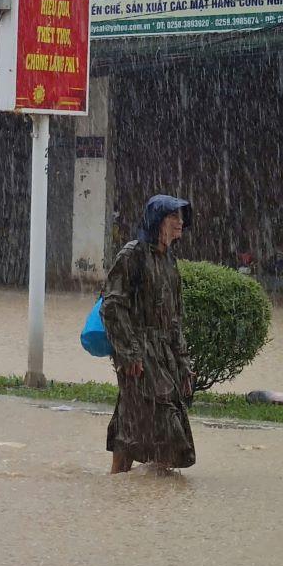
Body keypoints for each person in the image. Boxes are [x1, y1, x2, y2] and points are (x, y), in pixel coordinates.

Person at [103, 195, 196, 474]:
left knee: (136, 419)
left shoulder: (169, 261)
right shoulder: (132, 255)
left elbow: (175, 316)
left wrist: (183, 362)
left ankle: (137, 490)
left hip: (164, 352)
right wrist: (129, 352)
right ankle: (139, 491)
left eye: (181, 217)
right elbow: (113, 305)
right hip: (138, 351)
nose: (180, 223)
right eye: (173, 217)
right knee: (155, 419)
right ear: (158, 221)